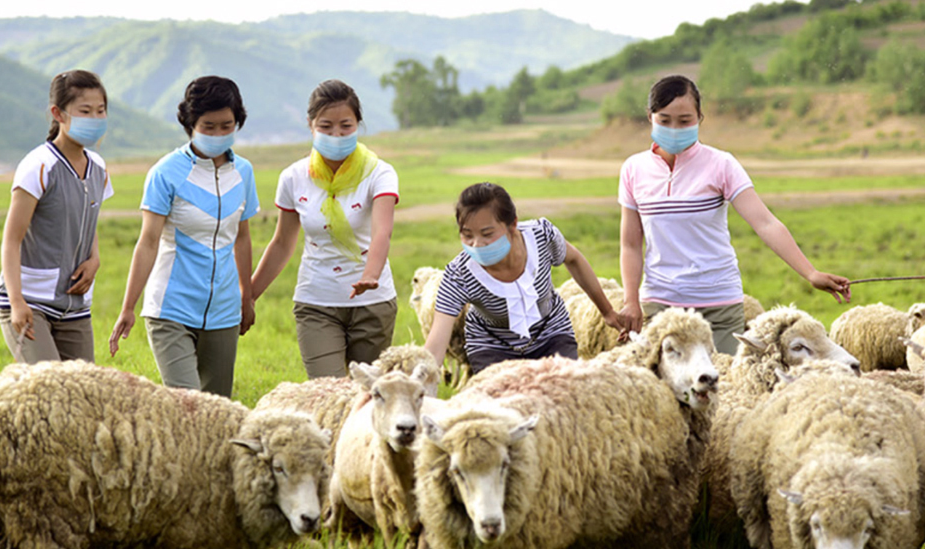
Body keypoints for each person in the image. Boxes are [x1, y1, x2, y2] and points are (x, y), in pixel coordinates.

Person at [617, 75, 851, 355]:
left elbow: (765, 223)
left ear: (700, 118)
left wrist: (810, 272)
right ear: (650, 117)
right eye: (664, 120)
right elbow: (630, 244)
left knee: (726, 379)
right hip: (661, 305)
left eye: (685, 120)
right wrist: (631, 300)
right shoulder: (634, 169)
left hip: (718, 305)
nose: (674, 129)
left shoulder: (721, 164)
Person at [108, 76, 258, 397]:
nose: (218, 134)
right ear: (190, 125)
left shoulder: (243, 172)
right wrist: (128, 306)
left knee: (217, 410)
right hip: (171, 309)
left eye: (226, 126)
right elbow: (148, 242)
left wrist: (246, 296)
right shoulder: (165, 172)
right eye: (208, 127)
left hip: (224, 312)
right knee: (186, 405)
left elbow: (242, 237)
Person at [250, 79, 398, 379]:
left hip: (373, 304)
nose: (336, 135)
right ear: (310, 125)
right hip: (316, 301)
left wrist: (370, 275)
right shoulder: (293, 177)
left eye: (345, 126)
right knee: (326, 390)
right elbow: (282, 243)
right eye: (326, 126)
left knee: (368, 394)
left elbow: (382, 232)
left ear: (358, 124)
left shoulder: (379, 173)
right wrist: (248, 296)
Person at [424, 182, 631, 374]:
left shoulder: (541, 236)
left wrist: (607, 312)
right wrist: (421, 377)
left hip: (551, 333)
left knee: (564, 390)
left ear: (512, 224)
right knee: (499, 397)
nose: (477, 244)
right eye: (467, 235)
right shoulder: (459, 275)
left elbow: (574, 259)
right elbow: (436, 343)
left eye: (487, 234)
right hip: (492, 346)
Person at [0, 69, 112, 364]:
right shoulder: (39, 165)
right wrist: (17, 302)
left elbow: (88, 218)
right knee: (50, 386)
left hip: (75, 307)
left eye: (100, 111)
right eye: (85, 111)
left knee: (84, 388)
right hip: (30, 302)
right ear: (58, 114)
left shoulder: (98, 168)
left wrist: (95, 258)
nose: (95, 118)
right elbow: (11, 240)